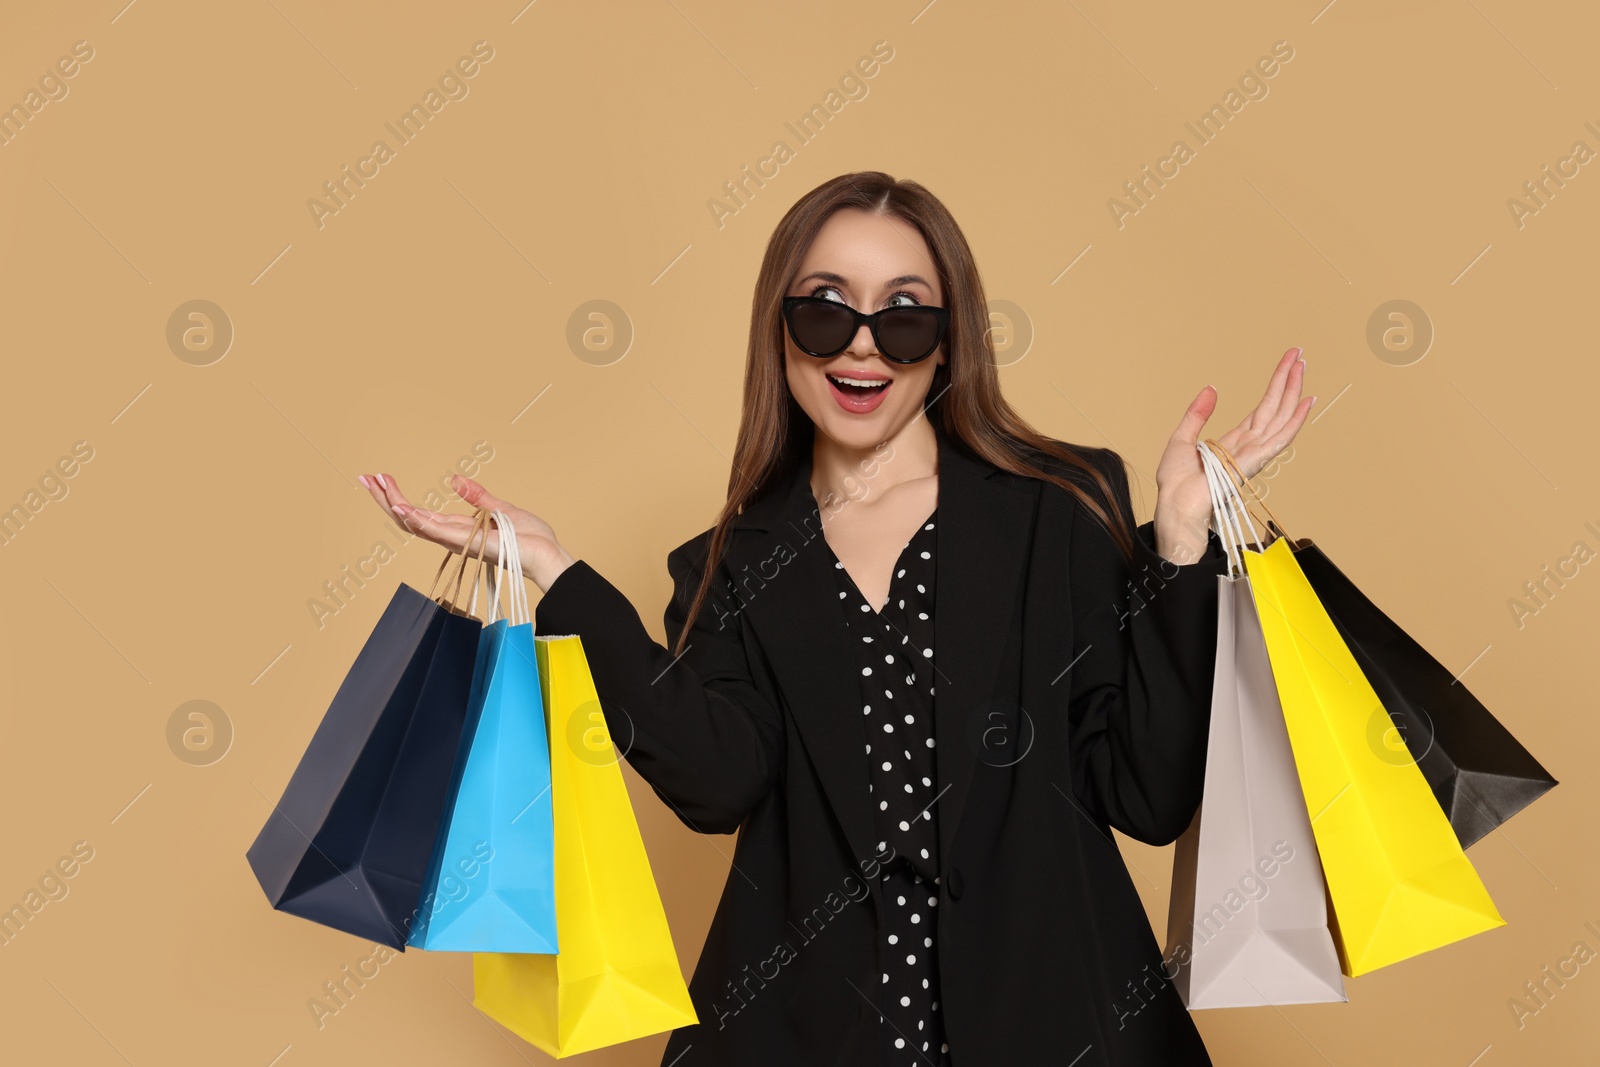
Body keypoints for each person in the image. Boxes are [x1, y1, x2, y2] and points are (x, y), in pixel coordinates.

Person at [359, 171, 1312, 1066]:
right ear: (780, 333)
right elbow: (715, 783)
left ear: (947, 339)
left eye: (903, 315)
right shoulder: (726, 562)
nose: (862, 344)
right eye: (825, 309)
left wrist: (1183, 549)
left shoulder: (1058, 509)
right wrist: (554, 571)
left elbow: (1145, 796)